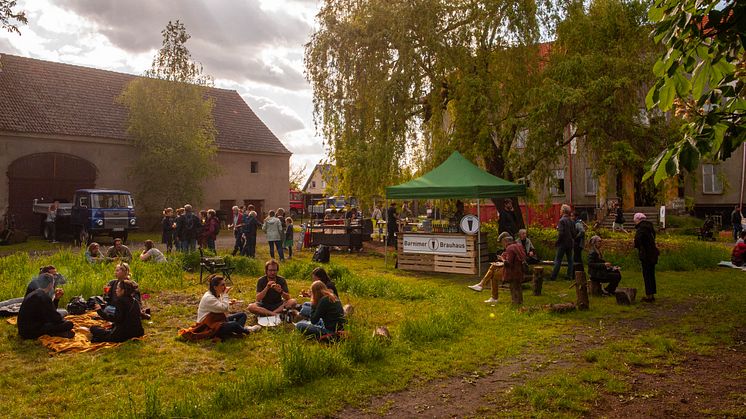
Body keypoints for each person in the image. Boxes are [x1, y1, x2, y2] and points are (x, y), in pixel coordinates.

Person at [195, 275, 261, 339]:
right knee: (234, 324)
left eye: (225, 284)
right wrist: (225, 294)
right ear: (215, 287)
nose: (225, 287)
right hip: (208, 326)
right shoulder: (209, 298)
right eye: (222, 285)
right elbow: (224, 308)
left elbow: (218, 305)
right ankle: (247, 331)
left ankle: (236, 331)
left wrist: (229, 302)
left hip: (217, 320)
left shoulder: (215, 293)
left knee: (242, 315)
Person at [17, 273, 74, 339]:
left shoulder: (34, 293)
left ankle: (58, 333)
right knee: (69, 324)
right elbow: (55, 318)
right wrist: (64, 321)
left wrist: (56, 299)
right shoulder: (44, 297)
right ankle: (57, 333)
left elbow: (50, 312)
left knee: (57, 323)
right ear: (50, 285)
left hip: (24, 329)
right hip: (31, 332)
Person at [483, 232, 526, 304]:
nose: (502, 245)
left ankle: (493, 297)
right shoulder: (518, 245)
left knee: (494, 276)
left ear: (505, 241)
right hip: (520, 272)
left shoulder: (509, 248)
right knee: (517, 287)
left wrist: (502, 258)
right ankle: (519, 301)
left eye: (502, 243)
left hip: (512, 273)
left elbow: (508, 263)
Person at [634, 213, 659, 303]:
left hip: (646, 255)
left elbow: (637, 241)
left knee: (647, 275)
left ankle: (649, 296)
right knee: (651, 274)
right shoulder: (650, 227)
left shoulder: (641, 229)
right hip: (653, 253)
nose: (634, 222)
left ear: (638, 220)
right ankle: (652, 294)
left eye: (635, 220)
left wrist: (640, 248)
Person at [550, 204, 575, 281]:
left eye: (560, 209)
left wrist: (557, 242)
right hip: (570, 243)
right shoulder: (571, 220)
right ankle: (569, 276)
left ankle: (553, 276)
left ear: (563, 211)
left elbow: (561, 233)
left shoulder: (561, 221)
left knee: (558, 260)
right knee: (570, 260)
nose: (560, 211)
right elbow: (574, 233)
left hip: (562, 243)